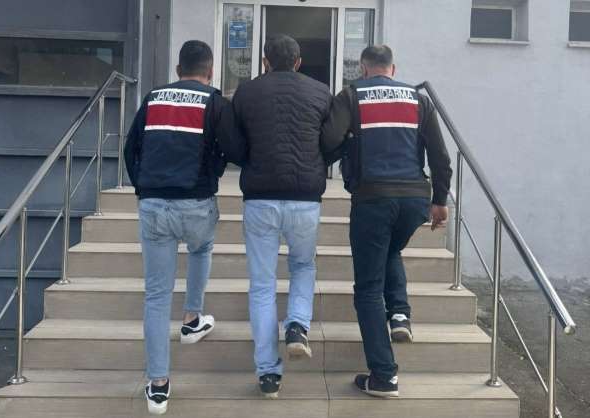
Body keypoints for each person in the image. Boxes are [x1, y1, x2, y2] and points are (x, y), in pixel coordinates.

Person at [320, 45, 452, 398]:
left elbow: (329, 140)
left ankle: (384, 375)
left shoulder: (351, 95)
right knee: (391, 250)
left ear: (363, 69)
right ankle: (400, 315)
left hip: (373, 198)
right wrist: (440, 200)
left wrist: (349, 144)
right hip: (414, 199)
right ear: (393, 68)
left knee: (367, 288)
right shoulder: (418, 99)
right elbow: (439, 155)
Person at [220, 34, 334, 398]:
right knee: (302, 266)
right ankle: (297, 325)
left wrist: (251, 161)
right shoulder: (321, 92)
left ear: (265, 61)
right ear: (298, 62)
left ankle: (268, 373)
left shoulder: (246, 92)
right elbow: (332, 141)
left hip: (260, 198)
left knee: (262, 285)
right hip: (305, 198)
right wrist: (318, 164)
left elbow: (232, 144)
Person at [124, 40, 230, 415]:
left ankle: (158, 386)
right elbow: (228, 149)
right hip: (197, 201)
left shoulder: (153, 98)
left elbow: (131, 149)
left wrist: (143, 188)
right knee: (202, 248)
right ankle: (191, 318)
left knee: (156, 295)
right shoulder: (214, 101)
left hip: (154, 203)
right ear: (210, 70)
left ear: (178, 69)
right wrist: (212, 175)